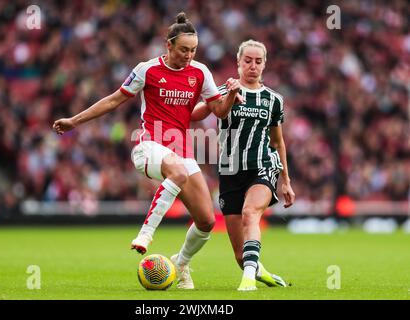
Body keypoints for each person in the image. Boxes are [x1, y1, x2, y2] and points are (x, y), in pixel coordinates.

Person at [52, 12, 239, 290]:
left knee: (207, 220)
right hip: (149, 145)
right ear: (169, 45)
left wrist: (232, 95)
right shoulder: (147, 69)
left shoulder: (200, 73)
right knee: (176, 171)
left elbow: (219, 110)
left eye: (193, 50)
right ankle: (145, 235)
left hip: (182, 150)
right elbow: (114, 100)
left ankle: (182, 263)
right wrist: (74, 121)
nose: (189, 55)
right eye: (183, 50)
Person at [191, 40, 296, 291]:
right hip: (229, 173)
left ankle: (247, 282)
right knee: (241, 256)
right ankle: (260, 273)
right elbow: (194, 114)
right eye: (247, 60)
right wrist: (227, 94)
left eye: (258, 61)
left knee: (251, 214)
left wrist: (286, 180)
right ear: (238, 63)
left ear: (264, 64)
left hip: (262, 165)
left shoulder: (273, 100)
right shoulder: (223, 89)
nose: (253, 66)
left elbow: (278, 141)